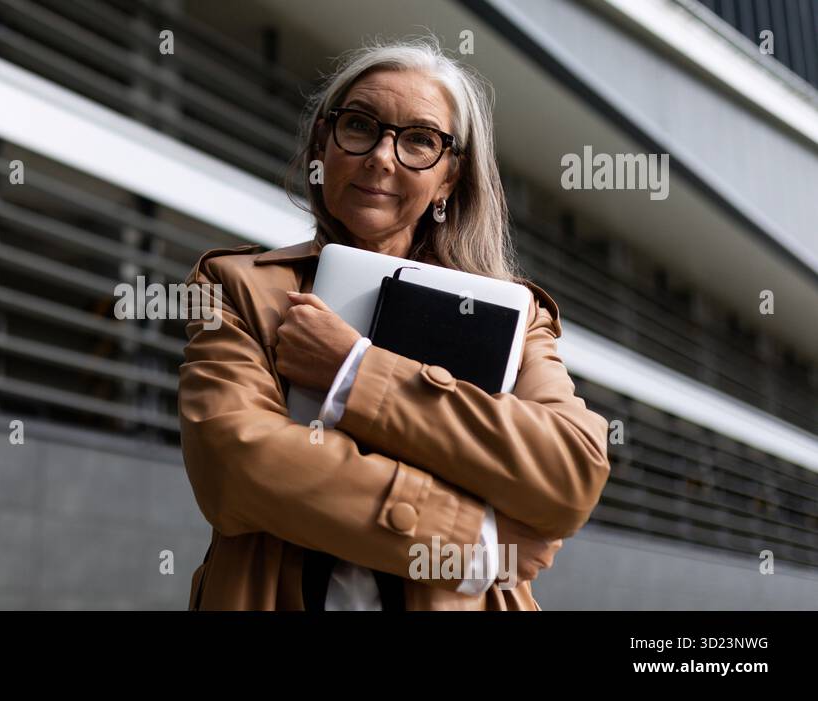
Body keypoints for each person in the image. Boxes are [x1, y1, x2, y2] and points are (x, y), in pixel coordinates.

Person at [179, 37, 611, 611]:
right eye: (360, 125)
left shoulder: (513, 314)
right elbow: (237, 467)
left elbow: (569, 472)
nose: (382, 156)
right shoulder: (236, 287)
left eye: (420, 141)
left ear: (450, 179)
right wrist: (475, 543)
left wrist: (354, 372)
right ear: (323, 144)